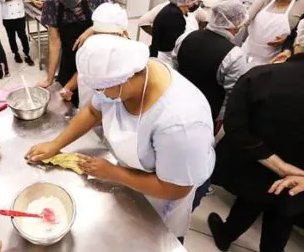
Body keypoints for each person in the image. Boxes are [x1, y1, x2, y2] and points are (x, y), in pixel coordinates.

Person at [26, 35, 215, 240]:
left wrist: (114, 173)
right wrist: (55, 144)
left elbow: (175, 188)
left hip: (167, 191)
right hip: (132, 175)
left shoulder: (181, 124)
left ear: (125, 80)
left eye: (100, 89)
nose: (98, 94)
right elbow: (93, 111)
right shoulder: (123, 76)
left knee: (155, 239)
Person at [209, 19, 304, 252]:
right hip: (299, 182)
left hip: (255, 168)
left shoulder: (261, 76)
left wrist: (277, 164)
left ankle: (225, 235)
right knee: (282, 221)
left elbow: (235, 126)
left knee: (248, 204)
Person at [37, 0, 110, 107]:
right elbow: (54, 42)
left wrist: (91, 30)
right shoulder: (52, 3)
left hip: (95, 62)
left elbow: (115, 28)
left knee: (95, 105)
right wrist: (49, 79)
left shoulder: (97, 0)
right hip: (69, 61)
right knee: (67, 102)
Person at [173, 0, 249, 125]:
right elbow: (236, 93)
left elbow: (174, 70)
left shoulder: (185, 37)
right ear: (236, 26)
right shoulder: (234, 55)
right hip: (208, 113)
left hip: (179, 103)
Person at [60, 2, 130, 108]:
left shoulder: (131, 59)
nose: (102, 39)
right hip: (87, 110)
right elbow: (84, 71)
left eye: (109, 35)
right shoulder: (92, 47)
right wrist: (67, 88)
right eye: (98, 34)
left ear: (123, 34)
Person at [239, 0, 304, 66]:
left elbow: (298, 35)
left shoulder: (301, 6)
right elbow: (245, 19)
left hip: (274, 58)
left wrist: (286, 40)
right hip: (247, 51)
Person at [151, 0, 204, 66]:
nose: (198, 5)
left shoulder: (174, 9)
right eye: (197, 2)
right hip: (164, 59)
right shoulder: (174, 16)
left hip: (167, 56)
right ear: (188, 1)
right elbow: (175, 44)